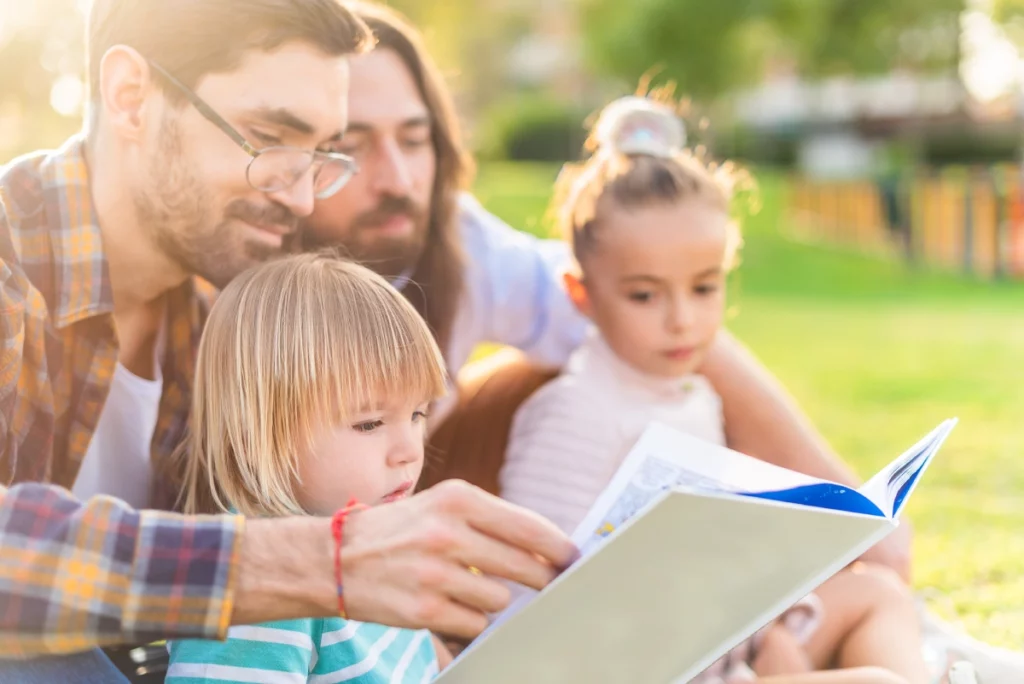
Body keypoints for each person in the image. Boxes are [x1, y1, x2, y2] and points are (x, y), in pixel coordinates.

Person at [0, 0, 576, 677]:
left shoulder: (236, 310)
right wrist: (328, 561)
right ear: (131, 98)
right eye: (269, 137)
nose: (303, 200)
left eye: (324, 154)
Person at [303, 1, 912, 579]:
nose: (399, 178)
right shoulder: (242, 272)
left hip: (424, 506)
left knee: (575, 363)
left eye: (414, 140)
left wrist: (852, 509)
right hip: (315, 548)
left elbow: (644, 313)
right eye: (350, 146)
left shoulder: (460, 244)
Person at [499, 95, 934, 684]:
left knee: (879, 593)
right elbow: (536, 606)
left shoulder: (693, 395)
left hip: (728, 638)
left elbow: (722, 556)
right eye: (645, 295)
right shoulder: (573, 412)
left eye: (704, 288)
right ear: (581, 295)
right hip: (647, 665)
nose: (682, 320)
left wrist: (774, 628)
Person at [166, 253, 457, 682]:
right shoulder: (262, 598)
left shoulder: (380, 545)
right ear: (258, 431)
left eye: (417, 414)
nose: (409, 451)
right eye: (369, 423)